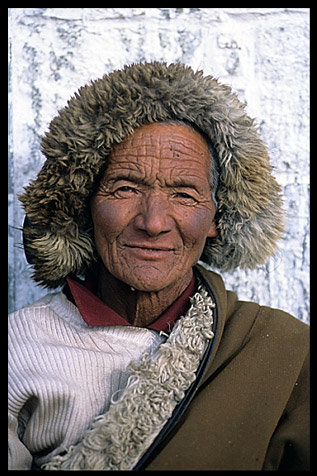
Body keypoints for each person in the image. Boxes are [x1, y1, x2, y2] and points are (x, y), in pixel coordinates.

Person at [8, 61, 309, 471]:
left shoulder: (282, 351)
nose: (152, 222)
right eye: (126, 188)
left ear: (218, 219)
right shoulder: (19, 345)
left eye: (184, 195)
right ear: (85, 206)